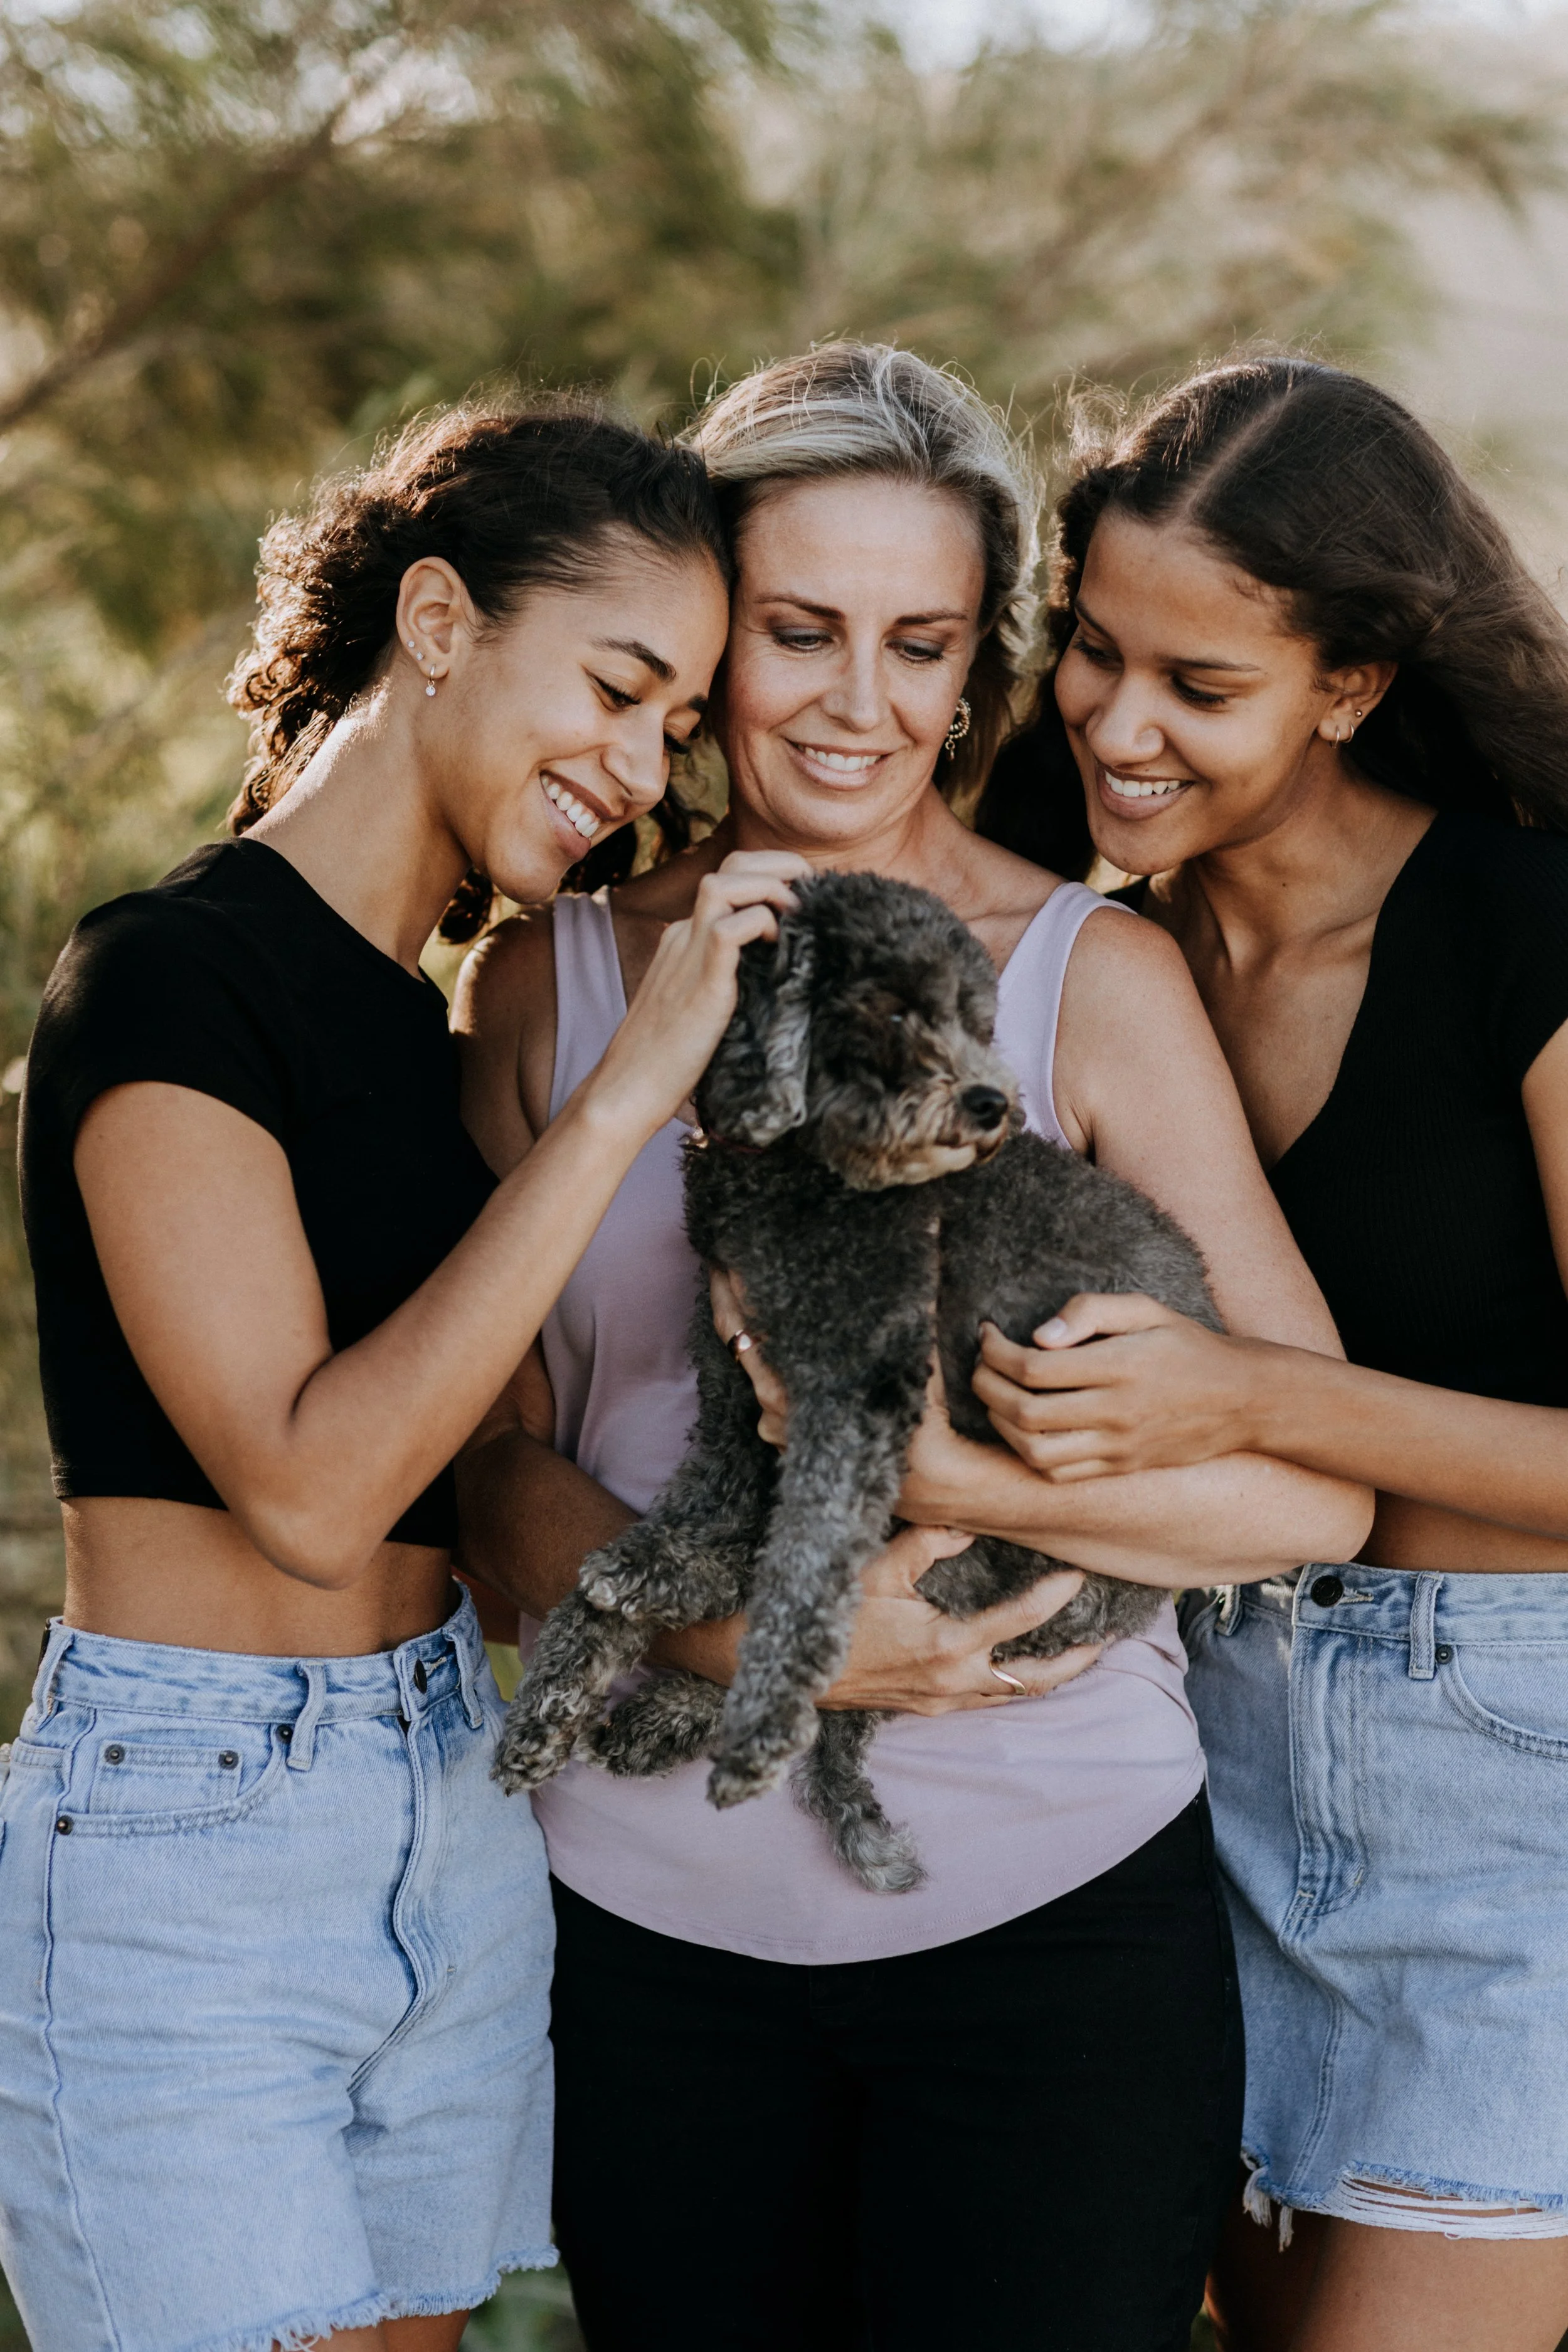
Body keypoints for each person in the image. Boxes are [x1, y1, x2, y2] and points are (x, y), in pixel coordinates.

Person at [455, 344, 1370, 2352]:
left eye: (919, 642)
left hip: (1053, 1937)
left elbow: (1306, 1483)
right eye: (799, 632)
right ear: (710, 643)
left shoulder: (1084, 982)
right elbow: (484, 1467)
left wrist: (960, 1485)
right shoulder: (557, 975)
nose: (858, 703)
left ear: (978, 671)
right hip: (644, 1933)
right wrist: (730, 1636)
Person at [0, 400, 802, 2352]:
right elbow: (308, 1485)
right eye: (615, 688)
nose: (630, 770)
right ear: (437, 618)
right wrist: (624, 1100)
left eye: (671, 729)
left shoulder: (440, 1025)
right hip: (193, 1838)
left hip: (445, 1791)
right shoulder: (169, 977)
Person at [972, 355, 1568, 2352]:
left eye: (1197, 688)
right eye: (1089, 651)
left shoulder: (1523, 924)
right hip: (1161, 1763)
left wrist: (1253, 1400)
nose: (1117, 726)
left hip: (1498, 1808)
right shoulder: (1067, 930)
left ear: (1352, 683)